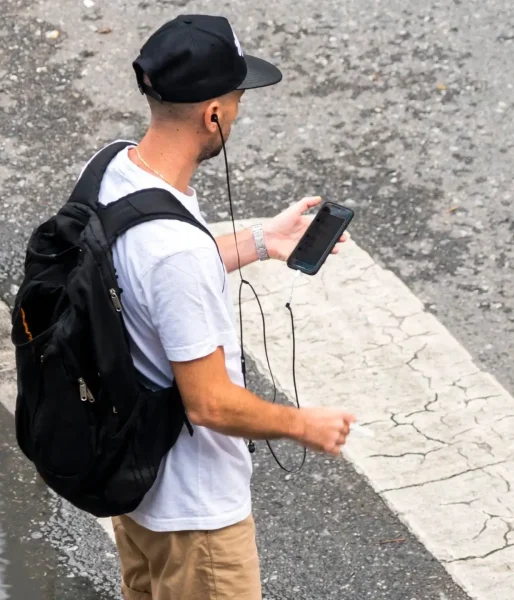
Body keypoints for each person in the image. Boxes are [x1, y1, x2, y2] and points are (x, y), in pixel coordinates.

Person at [86, 14, 356, 600]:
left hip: (135, 491)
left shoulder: (111, 170)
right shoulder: (175, 250)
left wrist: (262, 241)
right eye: (236, 100)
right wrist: (301, 424)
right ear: (214, 114)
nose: (236, 114)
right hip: (197, 519)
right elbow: (208, 402)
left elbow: (147, 273)